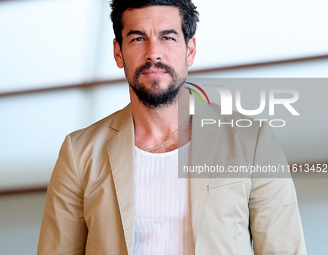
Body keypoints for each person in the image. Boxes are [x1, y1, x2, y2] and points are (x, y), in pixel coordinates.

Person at [38, 0, 307, 254]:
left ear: (189, 50)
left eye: (167, 37)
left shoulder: (253, 140)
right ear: (118, 52)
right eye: (138, 38)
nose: (153, 53)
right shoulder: (79, 152)